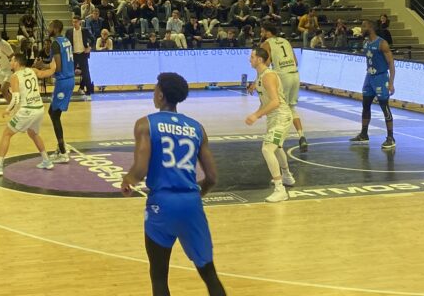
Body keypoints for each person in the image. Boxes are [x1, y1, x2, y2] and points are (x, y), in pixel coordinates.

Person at [120, 72, 225, 296]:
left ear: (160, 95)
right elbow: (212, 177)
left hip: (162, 205)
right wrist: (200, 192)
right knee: (209, 274)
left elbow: (140, 170)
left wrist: (127, 180)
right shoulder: (197, 127)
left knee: (159, 277)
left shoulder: (145, 124)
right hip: (191, 203)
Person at [0, 50, 56, 176]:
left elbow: (16, 99)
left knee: (6, 134)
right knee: (33, 133)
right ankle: (46, 160)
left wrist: (8, 110)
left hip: (27, 110)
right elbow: (47, 73)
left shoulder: (15, 77)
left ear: (17, 63)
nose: (10, 62)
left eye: (12, 60)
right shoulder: (33, 70)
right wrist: (53, 66)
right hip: (39, 108)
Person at [246, 47, 293, 203]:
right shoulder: (260, 76)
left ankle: (280, 190)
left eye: (252, 57)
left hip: (281, 117)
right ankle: (287, 176)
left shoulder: (268, 76)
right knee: (277, 147)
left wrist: (256, 115)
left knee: (267, 149)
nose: (249, 59)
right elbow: (266, 103)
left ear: (259, 59)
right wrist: (258, 112)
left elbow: (275, 102)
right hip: (274, 118)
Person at [260, 24, 307, 152]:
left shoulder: (266, 43)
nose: (261, 34)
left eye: (262, 31)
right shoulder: (286, 41)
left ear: (268, 33)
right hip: (295, 75)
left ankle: (277, 141)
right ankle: (301, 136)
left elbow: (266, 63)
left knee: (278, 108)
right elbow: (296, 62)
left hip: (283, 76)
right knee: (291, 108)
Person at [352, 19, 396, 150]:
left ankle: (390, 138)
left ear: (370, 27)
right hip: (369, 77)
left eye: (363, 26)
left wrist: (391, 83)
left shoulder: (382, 43)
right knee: (365, 105)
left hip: (381, 78)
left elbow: (391, 64)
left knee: (384, 106)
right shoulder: (366, 43)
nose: (361, 28)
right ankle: (364, 134)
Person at [47, 19, 77, 164]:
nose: (48, 28)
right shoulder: (66, 40)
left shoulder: (55, 43)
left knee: (54, 114)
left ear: (56, 28)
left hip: (63, 80)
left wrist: (44, 69)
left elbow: (57, 68)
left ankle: (63, 152)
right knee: (54, 113)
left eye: (50, 26)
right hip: (69, 79)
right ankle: (60, 148)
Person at [67, 15, 94, 96]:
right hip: (73, 55)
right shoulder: (69, 31)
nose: (74, 23)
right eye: (73, 22)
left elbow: (93, 39)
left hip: (83, 54)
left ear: (80, 22)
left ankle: (89, 91)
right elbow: (66, 42)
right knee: (70, 73)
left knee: (86, 73)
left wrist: (89, 47)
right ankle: (68, 91)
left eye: (76, 22)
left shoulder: (84, 30)